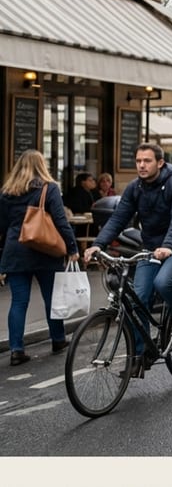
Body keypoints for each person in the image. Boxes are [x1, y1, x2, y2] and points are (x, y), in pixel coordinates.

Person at [84, 143, 172, 377]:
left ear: (160, 163)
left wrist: (168, 246)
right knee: (137, 299)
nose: (141, 165)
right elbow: (119, 218)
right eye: (138, 161)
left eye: (147, 161)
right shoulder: (135, 188)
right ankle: (140, 355)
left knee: (163, 282)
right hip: (150, 248)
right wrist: (98, 244)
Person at [0, 150, 79, 366]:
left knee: (18, 302)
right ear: (42, 166)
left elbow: (2, 226)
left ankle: (16, 349)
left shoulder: (7, 192)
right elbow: (61, 221)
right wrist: (72, 247)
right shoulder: (49, 188)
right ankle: (58, 339)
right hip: (45, 251)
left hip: (15, 252)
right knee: (51, 298)